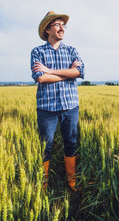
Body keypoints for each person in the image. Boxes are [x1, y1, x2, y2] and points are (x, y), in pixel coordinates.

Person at [30, 11, 85, 191]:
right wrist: (67, 74)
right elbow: (40, 78)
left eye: (63, 25)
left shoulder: (72, 50)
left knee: (71, 142)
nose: (62, 27)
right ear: (47, 29)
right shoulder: (37, 51)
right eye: (58, 24)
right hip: (47, 109)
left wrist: (50, 71)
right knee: (46, 146)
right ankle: (44, 184)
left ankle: (72, 181)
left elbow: (79, 73)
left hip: (70, 106)